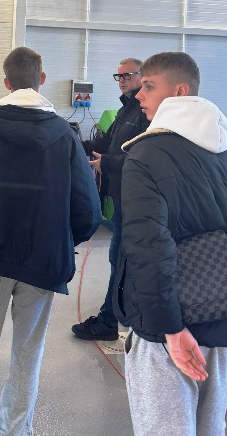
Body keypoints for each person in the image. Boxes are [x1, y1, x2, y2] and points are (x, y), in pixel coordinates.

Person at [115, 52, 227, 436]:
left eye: (149, 86)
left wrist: (170, 327)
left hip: (169, 326)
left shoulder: (146, 155)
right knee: (210, 425)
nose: (139, 95)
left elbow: (149, 247)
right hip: (225, 315)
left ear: (180, 92)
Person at [0, 46, 102, 433]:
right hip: (43, 258)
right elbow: (88, 208)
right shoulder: (64, 134)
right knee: (29, 348)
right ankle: (14, 426)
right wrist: (63, 239)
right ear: (42, 79)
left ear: (6, 82)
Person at [72, 57, 149, 342]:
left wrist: (109, 163)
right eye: (119, 76)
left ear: (143, 76)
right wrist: (72, 143)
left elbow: (143, 157)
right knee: (119, 259)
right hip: (122, 197)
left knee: (120, 260)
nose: (123, 80)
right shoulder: (126, 109)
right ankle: (116, 315)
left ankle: (109, 320)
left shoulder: (145, 111)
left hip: (136, 199)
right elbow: (106, 143)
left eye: (128, 75)